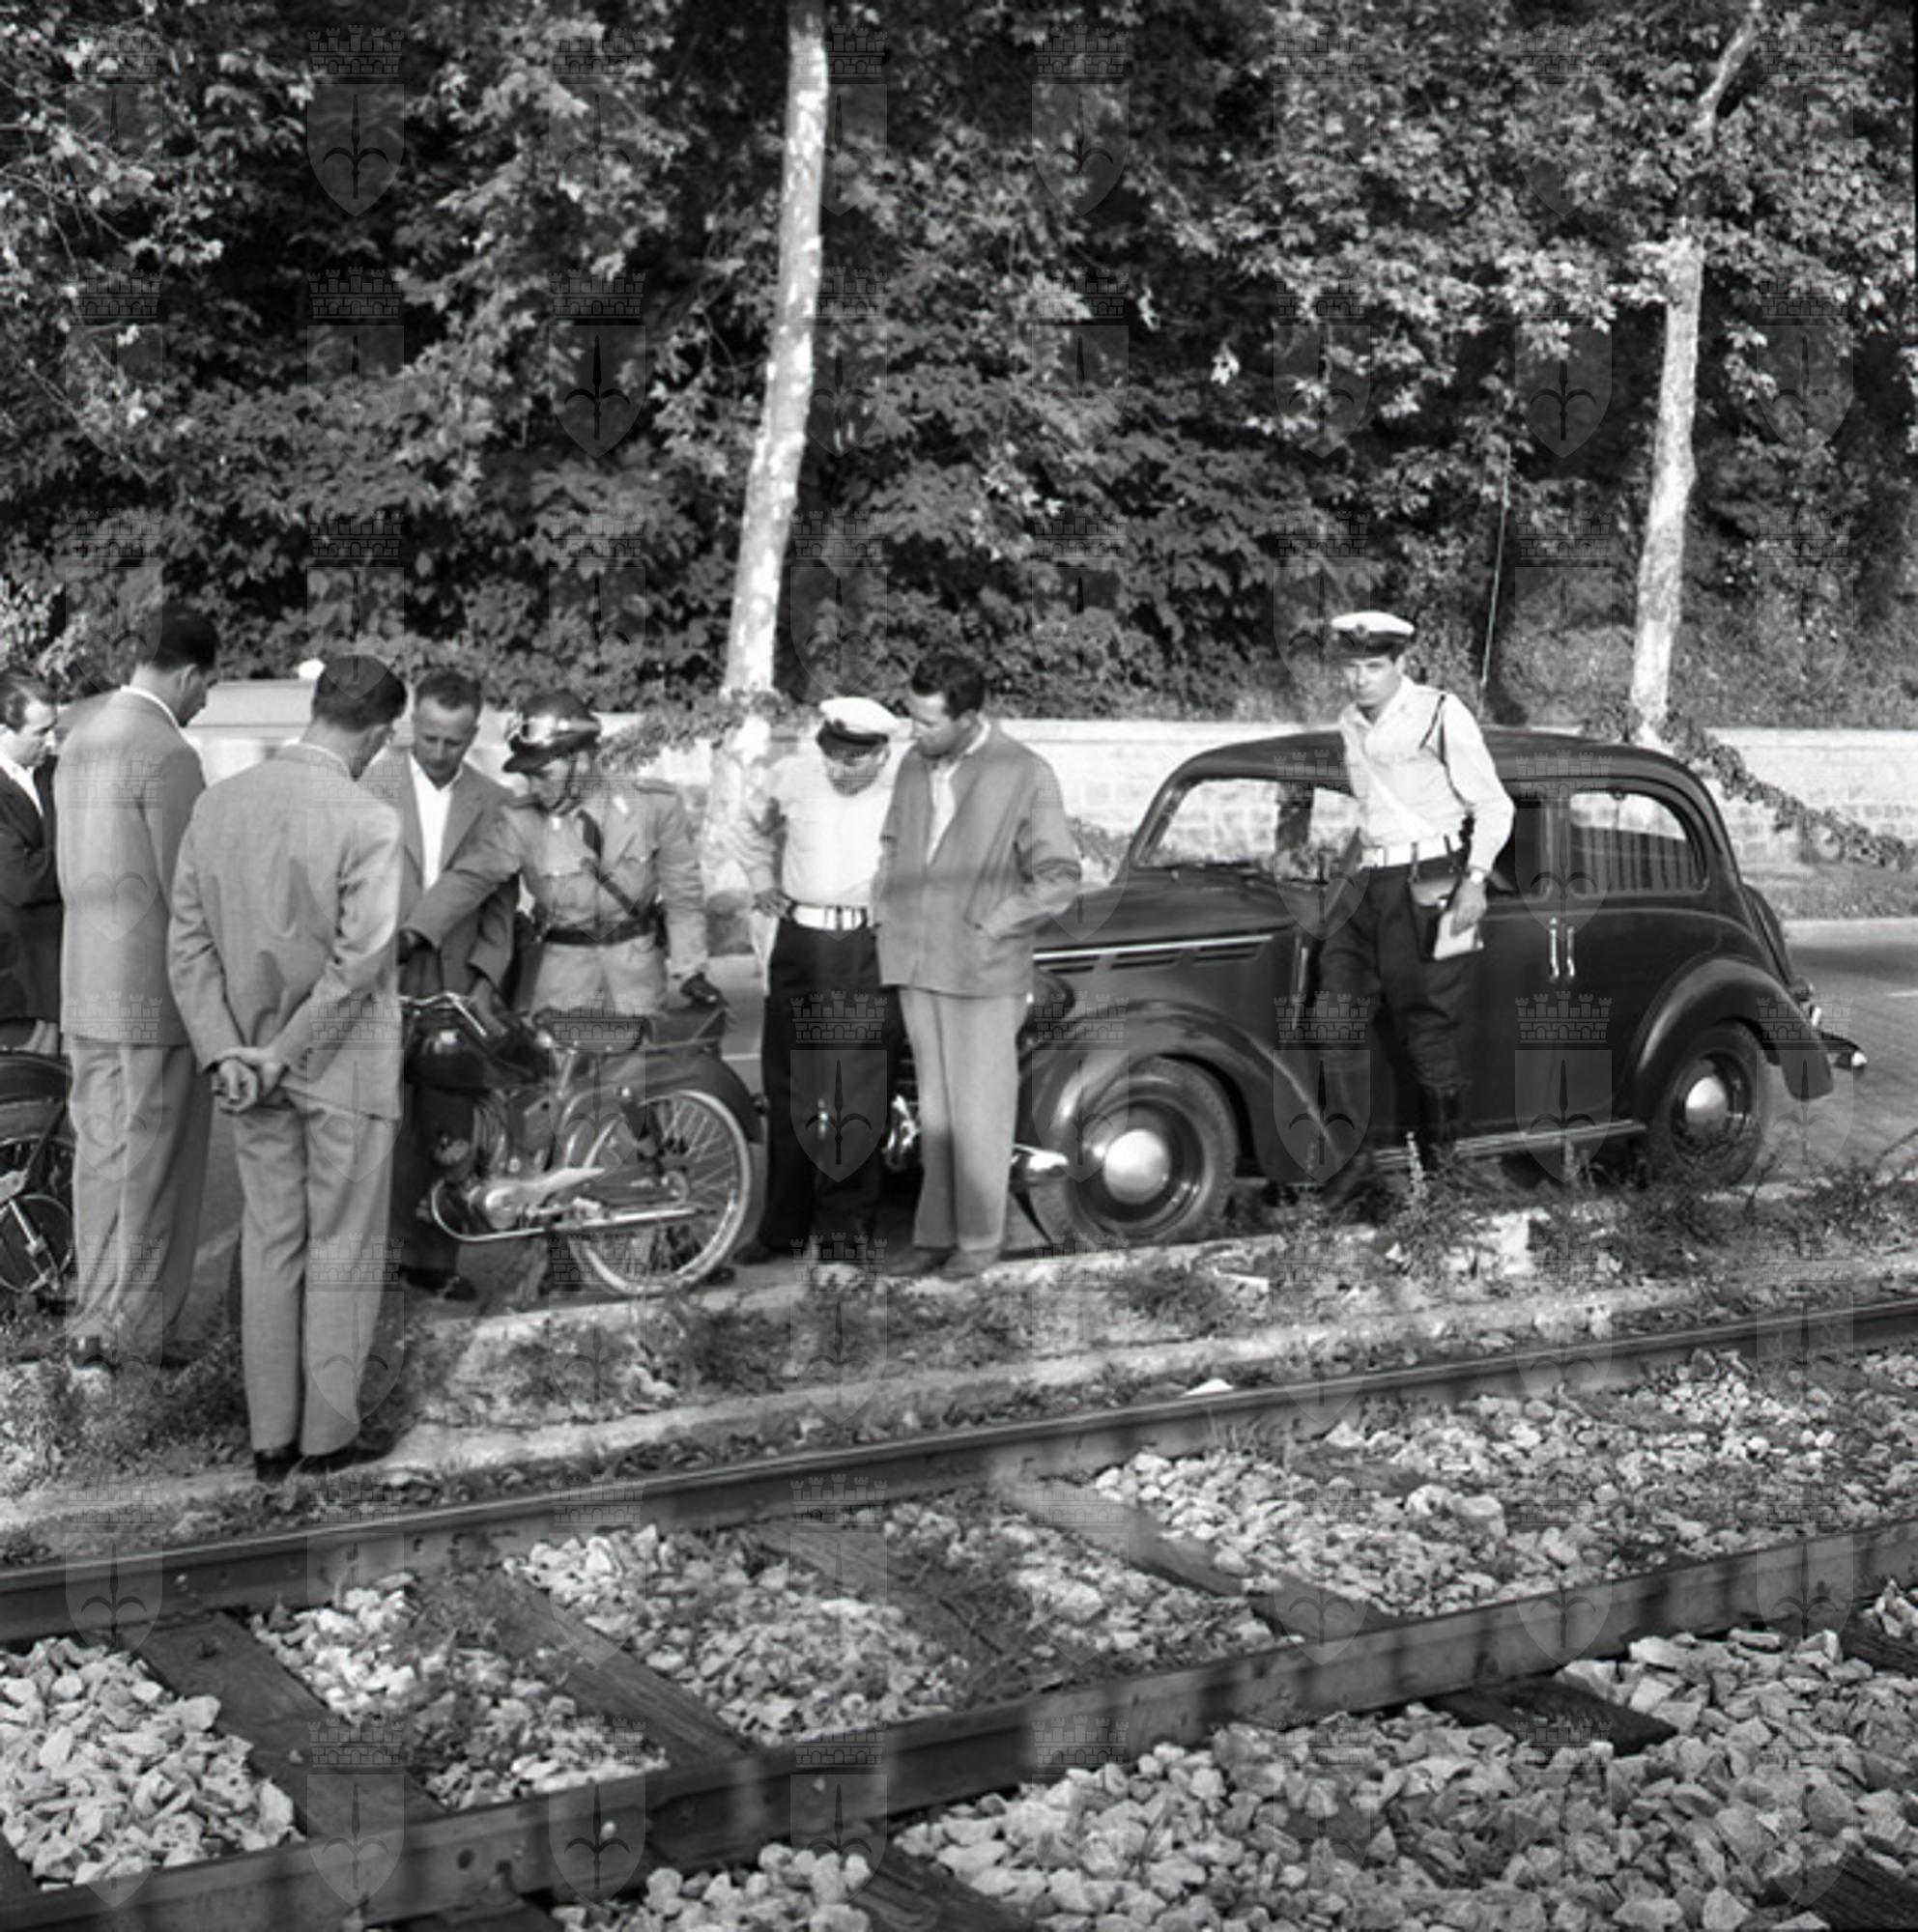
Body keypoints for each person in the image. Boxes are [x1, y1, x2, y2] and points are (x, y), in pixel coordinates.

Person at [169, 655, 408, 1484]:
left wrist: (226, 1050)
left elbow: (188, 947)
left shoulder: (218, 804)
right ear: (377, 734)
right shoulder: (369, 819)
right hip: (341, 1067)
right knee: (342, 1247)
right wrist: (283, 1053)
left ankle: (270, 1441)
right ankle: (327, 1437)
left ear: (318, 707)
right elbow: (358, 965)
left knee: (270, 1244)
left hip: (246, 1064)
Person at [873, 650, 1081, 1279]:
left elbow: (1058, 877)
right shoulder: (914, 764)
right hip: (915, 960)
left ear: (968, 718)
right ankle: (934, 1235)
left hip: (983, 968)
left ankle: (981, 1240)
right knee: (934, 1111)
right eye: (911, 716)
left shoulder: (1024, 771)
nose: (914, 731)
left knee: (980, 1110)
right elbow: (892, 842)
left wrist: (992, 926)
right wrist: (885, 910)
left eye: (928, 721)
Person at [54, 607, 218, 1373]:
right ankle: (141, 1335)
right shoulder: (168, 751)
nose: (205, 701)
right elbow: (189, 890)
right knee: (156, 1168)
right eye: (208, 685)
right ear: (186, 675)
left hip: (86, 981)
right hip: (155, 994)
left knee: (100, 1159)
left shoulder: (79, 738)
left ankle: (92, 1321)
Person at [1314, 610, 1515, 1208]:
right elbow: (1368, 812)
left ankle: (1444, 1173)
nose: (1360, 679)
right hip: (1367, 881)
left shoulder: (1440, 713)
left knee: (1426, 1026)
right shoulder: (1349, 720)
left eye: (1374, 666)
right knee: (1335, 1014)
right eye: (1352, 667)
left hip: (1430, 880)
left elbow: (1495, 805)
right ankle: (1354, 1166)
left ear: (1401, 663)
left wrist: (1475, 879)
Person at [398, 687, 720, 1017]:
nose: (534, 788)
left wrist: (691, 971)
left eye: (544, 776)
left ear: (581, 762)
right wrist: (414, 934)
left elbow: (683, 895)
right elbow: (470, 878)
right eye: (528, 777)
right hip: (562, 984)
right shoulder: (521, 821)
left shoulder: (653, 806)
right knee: (558, 1052)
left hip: (637, 981)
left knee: (636, 1051)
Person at [730, 695, 904, 1279]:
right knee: (789, 1086)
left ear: (881, 754)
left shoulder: (906, 793)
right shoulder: (793, 776)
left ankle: (844, 1235)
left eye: (854, 760)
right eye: (832, 755)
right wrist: (761, 881)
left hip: (860, 944)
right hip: (798, 942)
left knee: (851, 1089)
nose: (839, 769)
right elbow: (746, 826)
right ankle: (781, 1226)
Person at [361, 667, 515, 1306]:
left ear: (473, 736)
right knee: (375, 1119)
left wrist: (485, 978)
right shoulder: (369, 784)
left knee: (448, 1124)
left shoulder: (495, 800)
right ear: (410, 726)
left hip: (454, 975)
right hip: (384, 968)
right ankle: (374, 1254)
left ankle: (433, 1256)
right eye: (428, 738)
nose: (440, 752)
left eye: (454, 741)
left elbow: (501, 905)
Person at [0, 671, 62, 1061]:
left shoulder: (59, 772)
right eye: (40, 733)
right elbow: (20, 880)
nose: (51, 742)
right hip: (17, 988)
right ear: (3, 731)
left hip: (60, 977)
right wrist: (80, 855)